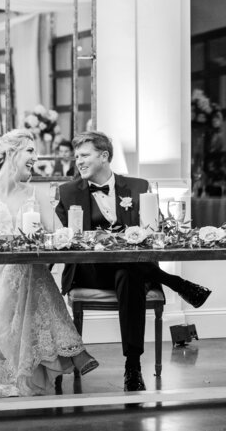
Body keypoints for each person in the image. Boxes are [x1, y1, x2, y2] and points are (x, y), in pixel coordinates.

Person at [56, 131, 212, 393]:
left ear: (104, 156)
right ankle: (178, 284)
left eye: (84, 155)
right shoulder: (68, 192)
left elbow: (152, 231)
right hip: (90, 270)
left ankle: (133, 366)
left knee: (127, 271)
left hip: (131, 268)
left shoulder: (139, 187)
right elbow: (73, 240)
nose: (78, 162)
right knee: (129, 267)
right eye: (76, 157)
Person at [0, 129, 98, 398]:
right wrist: (9, 245)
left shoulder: (36, 193)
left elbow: (56, 232)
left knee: (29, 269)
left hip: (27, 272)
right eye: (30, 150)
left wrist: (63, 235)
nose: (36, 156)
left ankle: (70, 351)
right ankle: (73, 349)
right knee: (27, 271)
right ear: (11, 153)